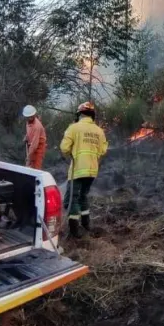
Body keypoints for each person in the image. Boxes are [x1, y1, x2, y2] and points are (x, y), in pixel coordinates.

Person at [60, 101, 107, 238]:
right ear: (92, 116)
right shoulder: (99, 131)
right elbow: (103, 150)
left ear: (79, 114)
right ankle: (86, 224)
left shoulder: (74, 128)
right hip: (92, 171)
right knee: (83, 196)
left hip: (78, 170)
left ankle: (74, 232)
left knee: (70, 200)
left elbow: (64, 148)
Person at [22, 105, 47, 170]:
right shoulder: (28, 122)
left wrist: (28, 158)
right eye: (28, 117)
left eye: (31, 117)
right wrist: (27, 137)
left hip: (39, 147)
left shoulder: (37, 126)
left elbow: (34, 145)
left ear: (34, 115)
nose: (29, 118)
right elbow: (30, 131)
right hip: (32, 145)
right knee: (30, 166)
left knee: (35, 168)